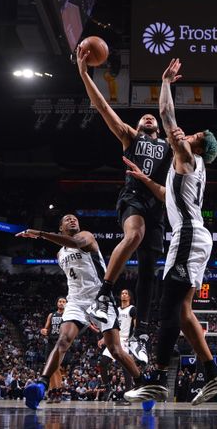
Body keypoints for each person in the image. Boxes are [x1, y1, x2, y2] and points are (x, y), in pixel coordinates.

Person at [122, 58, 217, 406]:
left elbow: (168, 117)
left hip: (186, 237)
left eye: (195, 136)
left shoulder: (184, 153)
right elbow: (168, 195)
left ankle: (154, 377)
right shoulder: (188, 167)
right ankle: (213, 374)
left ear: (197, 147)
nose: (189, 133)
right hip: (194, 236)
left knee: (168, 307)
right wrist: (144, 180)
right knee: (183, 312)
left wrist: (165, 82)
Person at [74, 44, 172, 363]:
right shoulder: (132, 137)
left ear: (157, 125)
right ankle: (104, 294)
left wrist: (166, 86)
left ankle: (142, 336)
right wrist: (84, 73)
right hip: (132, 200)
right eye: (143, 115)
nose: (147, 115)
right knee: (133, 236)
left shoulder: (169, 147)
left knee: (148, 275)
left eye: (151, 116)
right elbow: (103, 107)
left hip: (157, 208)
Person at [17, 214, 162, 410]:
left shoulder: (87, 236)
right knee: (63, 340)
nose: (72, 220)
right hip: (76, 301)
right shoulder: (60, 254)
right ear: (60, 227)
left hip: (100, 298)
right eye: (67, 219)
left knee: (116, 351)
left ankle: (141, 384)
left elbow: (75, 243)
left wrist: (41, 234)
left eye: (74, 218)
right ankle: (41, 385)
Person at [98, 288, 137, 405]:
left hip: (125, 340)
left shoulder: (132, 309)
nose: (124, 295)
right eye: (122, 293)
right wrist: (104, 338)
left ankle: (128, 395)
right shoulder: (116, 310)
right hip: (114, 339)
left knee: (126, 368)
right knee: (102, 363)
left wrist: (135, 339)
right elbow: (111, 326)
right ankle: (108, 388)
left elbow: (136, 326)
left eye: (126, 293)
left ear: (129, 297)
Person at [40, 296, 66, 403]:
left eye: (63, 302)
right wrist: (44, 330)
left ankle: (57, 391)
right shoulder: (51, 315)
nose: (61, 303)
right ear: (57, 303)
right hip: (51, 341)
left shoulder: (68, 315)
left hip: (61, 342)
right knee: (50, 368)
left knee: (56, 368)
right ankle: (52, 392)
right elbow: (46, 327)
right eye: (60, 301)